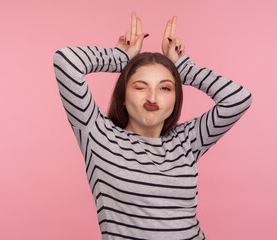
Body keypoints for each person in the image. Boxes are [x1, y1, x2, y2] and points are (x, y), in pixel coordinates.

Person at [53, 12, 252, 240]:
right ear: (123, 96)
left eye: (165, 88)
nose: (153, 97)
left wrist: (184, 68)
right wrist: (120, 57)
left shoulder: (187, 140)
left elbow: (238, 99)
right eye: (140, 87)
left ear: (175, 99)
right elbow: (66, 60)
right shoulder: (98, 135)